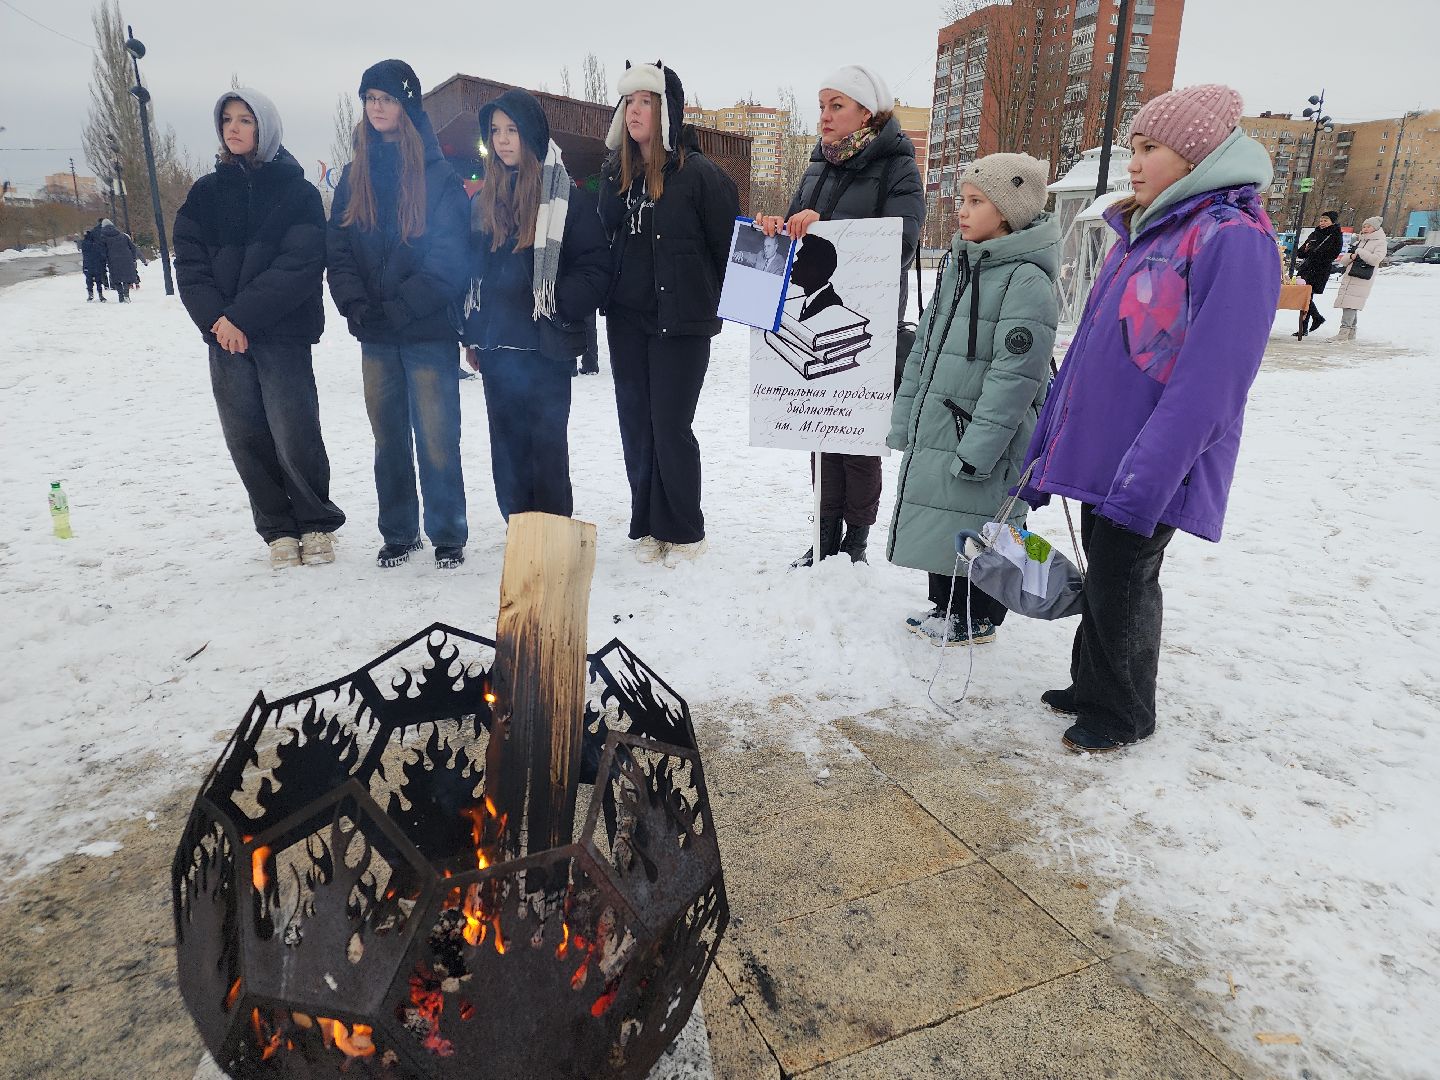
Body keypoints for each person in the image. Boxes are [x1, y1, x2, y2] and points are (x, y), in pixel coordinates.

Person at [1018, 84, 1281, 754]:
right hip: (1110, 448)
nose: (1132, 162)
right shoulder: (1144, 230)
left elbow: (1214, 380)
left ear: (1197, 157)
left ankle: (1123, 710)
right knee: (1108, 566)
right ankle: (1092, 684)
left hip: (1157, 458)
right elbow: (1088, 352)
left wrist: (1150, 472)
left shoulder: (1234, 239)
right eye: (1131, 147)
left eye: (1149, 148)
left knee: (1125, 573)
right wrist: (1052, 442)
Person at [755, 65, 924, 566]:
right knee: (820, 431)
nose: (824, 116)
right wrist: (776, 228)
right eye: (822, 105)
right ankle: (823, 533)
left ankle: (856, 542)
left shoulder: (898, 166)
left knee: (858, 434)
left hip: (862, 320)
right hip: (810, 310)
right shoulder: (817, 166)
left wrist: (828, 226)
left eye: (836, 106)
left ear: (866, 113)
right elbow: (796, 232)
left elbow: (903, 239)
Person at [887, 153, 1058, 646]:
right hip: (942, 419)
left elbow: (1015, 377)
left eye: (976, 202)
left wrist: (981, 444)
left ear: (1008, 211)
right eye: (962, 200)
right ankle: (945, 605)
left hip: (983, 431)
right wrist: (906, 417)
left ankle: (979, 613)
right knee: (942, 515)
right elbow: (924, 346)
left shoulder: (1025, 280)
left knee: (984, 520)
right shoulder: (960, 264)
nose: (962, 211)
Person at [174, 87, 346, 570]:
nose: (234, 128)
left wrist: (241, 317)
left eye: (245, 119)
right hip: (225, 340)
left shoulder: (297, 191)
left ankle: (314, 522)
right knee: (246, 435)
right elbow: (189, 265)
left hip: (282, 334)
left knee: (294, 432)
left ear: (264, 126)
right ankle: (276, 527)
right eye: (227, 119)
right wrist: (217, 321)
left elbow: (301, 264)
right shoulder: (205, 194)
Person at [327, 60, 471, 569]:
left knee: (436, 439)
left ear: (407, 105)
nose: (377, 108)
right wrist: (357, 306)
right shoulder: (354, 174)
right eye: (370, 99)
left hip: (427, 330)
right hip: (376, 334)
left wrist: (403, 307)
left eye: (386, 98)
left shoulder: (438, 175)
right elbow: (339, 247)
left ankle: (448, 532)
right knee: (388, 440)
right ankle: (400, 531)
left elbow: (451, 255)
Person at [597, 61, 739, 568]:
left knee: (671, 424)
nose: (634, 111)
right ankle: (648, 523)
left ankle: (684, 527)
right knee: (637, 423)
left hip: (681, 323)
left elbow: (730, 248)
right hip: (627, 322)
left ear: (666, 111)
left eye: (645, 102)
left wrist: (736, 304)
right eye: (628, 102)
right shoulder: (616, 173)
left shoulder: (700, 175)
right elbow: (601, 241)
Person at [461, 88, 609, 522]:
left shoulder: (567, 200)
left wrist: (554, 302)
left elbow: (597, 267)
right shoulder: (483, 202)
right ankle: (521, 532)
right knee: (506, 455)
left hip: (546, 351)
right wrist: (472, 333)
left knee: (546, 453)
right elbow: (474, 274)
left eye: (513, 130)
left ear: (533, 136)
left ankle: (553, 539)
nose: (504, 140)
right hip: (497, 350)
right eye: (496, 131)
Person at [1332, 216, 1386, 342]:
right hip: (1350, 276)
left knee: (1350, 305)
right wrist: (1352, 255)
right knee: (1350, 304)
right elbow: (1344, 260)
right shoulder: (1359, 241)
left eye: (1368, 226)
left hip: (1362, 278)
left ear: (1375, 228)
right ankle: (1350, 332)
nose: (1365, 229)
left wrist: (1360, 252)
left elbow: (1376, 259)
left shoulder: (1380, 242)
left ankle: (1343, 332)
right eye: (1364, 226)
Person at [1293, 209, 1343, 338]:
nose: (1322, 223)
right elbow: (1301, 252)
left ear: (1332, 222)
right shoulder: (1315, 233)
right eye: (1321, 220)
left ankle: (1309, 324)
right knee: (1305, 297)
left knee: (1307, 296)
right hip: (1307, 269)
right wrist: (1306, 250)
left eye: (1325, 220)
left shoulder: (1335, 235)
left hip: (1319, 270)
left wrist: (1315, 253)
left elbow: (1334, 254)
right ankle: (1311, 322)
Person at [99, 219, 142, 302]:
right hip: (126, 258)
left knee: (116, 278)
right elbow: (133, 248)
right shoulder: (123, 235)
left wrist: (105, 261)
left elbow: (103, 252)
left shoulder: (103, 238)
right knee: (126, 277)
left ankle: (121, 296)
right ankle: (126, 294)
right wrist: (133, 258)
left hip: (112, 260)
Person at [81, 219, 109, 302]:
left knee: (89, 281)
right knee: (98, 281)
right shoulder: (96, 244)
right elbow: (100, 253)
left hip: (87, 265)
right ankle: (100, 295)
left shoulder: (84, 244)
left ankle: (90, 295)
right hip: (97, 265)